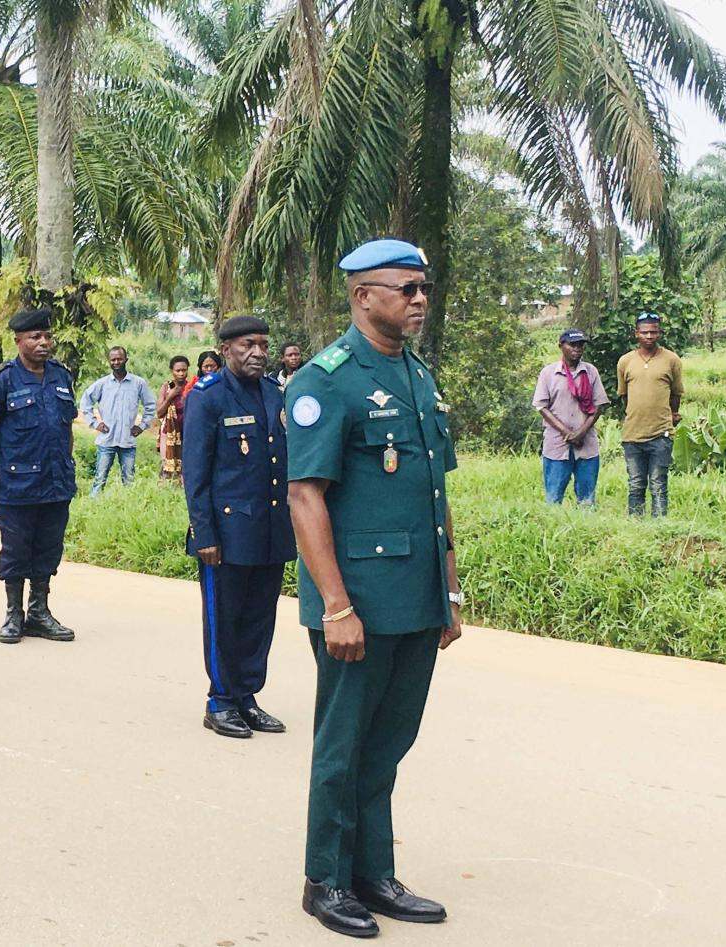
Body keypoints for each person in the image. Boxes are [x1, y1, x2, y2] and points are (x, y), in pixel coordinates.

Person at [286, 238, 462, 939]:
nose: (420, 299)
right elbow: (304, 496)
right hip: (356, 600)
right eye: (406, 288)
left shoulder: (416, 375)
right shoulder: (326, 380)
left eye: (424, 288)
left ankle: (373, 872)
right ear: (364, 297)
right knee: (343, 745)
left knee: (388, 742)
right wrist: (336, 606)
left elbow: (435, 495)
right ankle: (325, 879)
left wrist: (449, 593)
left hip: (415, 596)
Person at [182, 316, 295, 739]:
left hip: (269, 529)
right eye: (248, 344)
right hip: (227, 534)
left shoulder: (274, 393)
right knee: (224, 620)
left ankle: (247, 697)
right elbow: (196, 473)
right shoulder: (208, 396)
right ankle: (220, 701)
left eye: (263, 344)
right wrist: (204, 534)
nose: (258, 353)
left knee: (259, 619)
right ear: (226, 349)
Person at [0, 308, 79, 644]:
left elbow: (66, 428)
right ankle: (13, 614)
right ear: (18, 340)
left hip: (56, 481)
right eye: (35, 337)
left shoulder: (61, 376)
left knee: (48, 548)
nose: (43, 342)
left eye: (47, 336)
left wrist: (68, 464)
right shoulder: (3, 379)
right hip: (17, 482)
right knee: (16, 550)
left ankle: (39, 613)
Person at [617, 312, 684, 517]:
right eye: (644, 332)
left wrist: (671, 416)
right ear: (636, 333)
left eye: (653, 332)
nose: (649, 336)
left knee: (658, 484)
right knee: (636, 484)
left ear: (659, 333)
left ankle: (660, 526)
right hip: (632, 435)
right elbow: (624, 396)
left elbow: (676, 394)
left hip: (661, 435)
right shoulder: (625, 361)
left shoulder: (671, 359)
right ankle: (636, 525)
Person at [533, 328, 609, 506]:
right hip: (557, 444)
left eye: (580, 345)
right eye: (572, 345)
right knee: (553, 497)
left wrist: (581, 432)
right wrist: (567, 432)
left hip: (586, 444)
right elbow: (541, 406)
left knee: (587, 499)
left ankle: (585, 523)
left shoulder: (590, 372)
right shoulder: (548, 373)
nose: (577, 349)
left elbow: (599, 406)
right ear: (561, 346)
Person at [80, 345, 154, 496]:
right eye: (113, 360)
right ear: (109, 361)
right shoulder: (102, 384)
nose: (116, 362)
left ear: (126, 359)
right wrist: (95, 423)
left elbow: (150, 405)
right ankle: (94, 505)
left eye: (119, 359)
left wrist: (142, 426)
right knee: (99, 479)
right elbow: (85, 402)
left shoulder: (138, 383)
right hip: (106, 440)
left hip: (128, 441)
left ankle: (128, 505)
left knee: (129, 480)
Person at [156, 354, 190, 480]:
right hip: (169, 431)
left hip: (187, 432)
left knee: (185, 465)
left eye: (184, 370)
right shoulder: (167, 387)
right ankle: (167, 488)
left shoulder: (191, 387)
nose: (181, 373)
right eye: (178, 370)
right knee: (167, 466)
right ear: (172, 371)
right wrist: (170, 397)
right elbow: (159, 413)